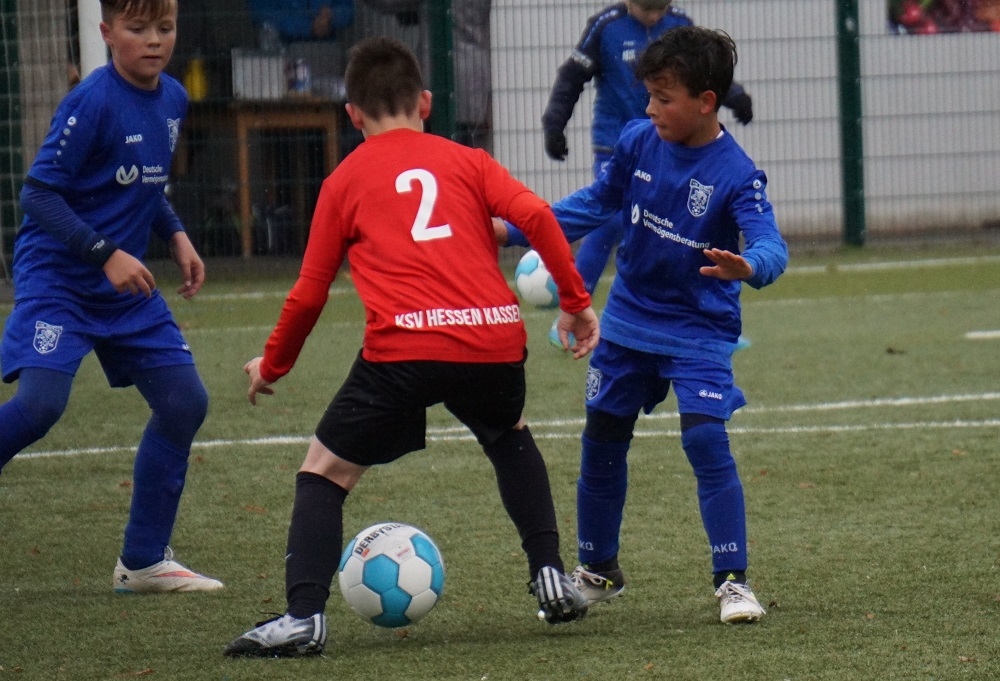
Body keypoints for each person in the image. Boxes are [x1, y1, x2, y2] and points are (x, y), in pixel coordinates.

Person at [224, 36, 599, 658]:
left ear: (352, 114)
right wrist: (577, 301)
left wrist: (274, 364)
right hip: (493, 337)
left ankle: (303, 618)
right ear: (425, 103)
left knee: (324, 472)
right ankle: (550, 574)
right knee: (509, 434)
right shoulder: (469, 160)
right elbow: (537, 215)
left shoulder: (344, 181)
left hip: (405, 349)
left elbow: (309, 294)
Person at [499, 25, 787, 623]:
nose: (650, 108)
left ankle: (732, 581)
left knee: (706, 438)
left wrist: (748, 264)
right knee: (602, 443)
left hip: (698, 329)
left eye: (663, 97)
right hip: (628, 321)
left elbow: (771, 247)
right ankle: (599, 569)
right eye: (649, 96)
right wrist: (512, 227)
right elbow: (593, 203)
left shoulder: (737, 173)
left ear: (706, 102)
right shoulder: (636, 140)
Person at [0, 0, 222, 594]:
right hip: (62, 280)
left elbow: (142, 181)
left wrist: (173, 233)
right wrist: (105, 252)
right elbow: (40, 195)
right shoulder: (91, 101)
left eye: (165, 28)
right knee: (41, 405)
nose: (153, 41)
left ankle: (144, 561)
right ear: (106, 33)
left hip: (122, 289)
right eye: (137, 29)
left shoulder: (173, 98)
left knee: (184, 402)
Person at [542, 0, 754, 350]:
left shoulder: (680, 23)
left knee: (695, 223)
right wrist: (555, 122)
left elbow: (704, 72)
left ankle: (708, 318)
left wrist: (735, 96)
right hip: (619, 145)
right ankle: (574, 305)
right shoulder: (606, 26)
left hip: (672, 150)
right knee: (610, 218)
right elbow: (572, 76)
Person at [247, 0, 354, 43]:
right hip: (283, 50)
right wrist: (309, 27)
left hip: (324, 51)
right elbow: (261, 12)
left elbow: (348, 9)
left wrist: (332, 15)